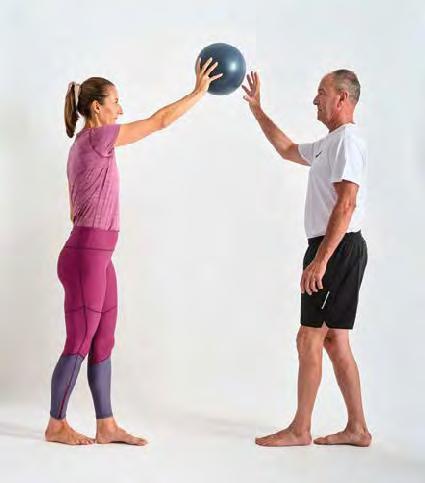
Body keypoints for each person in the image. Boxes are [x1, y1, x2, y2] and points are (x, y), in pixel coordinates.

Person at [45, 58, 222, 446]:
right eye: (116, 102)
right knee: (79, 341)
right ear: (97, 108)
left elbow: (75, 208)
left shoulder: (84, 146)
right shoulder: (98, 138)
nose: (121, 110)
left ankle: (106, 425)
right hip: (86, 256)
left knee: (103, 341)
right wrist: (198, 92)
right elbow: (159, 122)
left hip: (98, 257)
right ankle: (56, 424)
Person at [242, 69, 371, 447]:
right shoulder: (329, 143)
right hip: (333, 247)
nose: (315, 99)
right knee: (335, 341)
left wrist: (321, 260)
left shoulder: (347, 141)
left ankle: (300, 429)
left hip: (336, 248)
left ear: (342, 98)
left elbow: (346, 203)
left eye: (322, 92)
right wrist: (258, 111)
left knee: (309, 337)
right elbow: (286, 149)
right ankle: (358, 429)